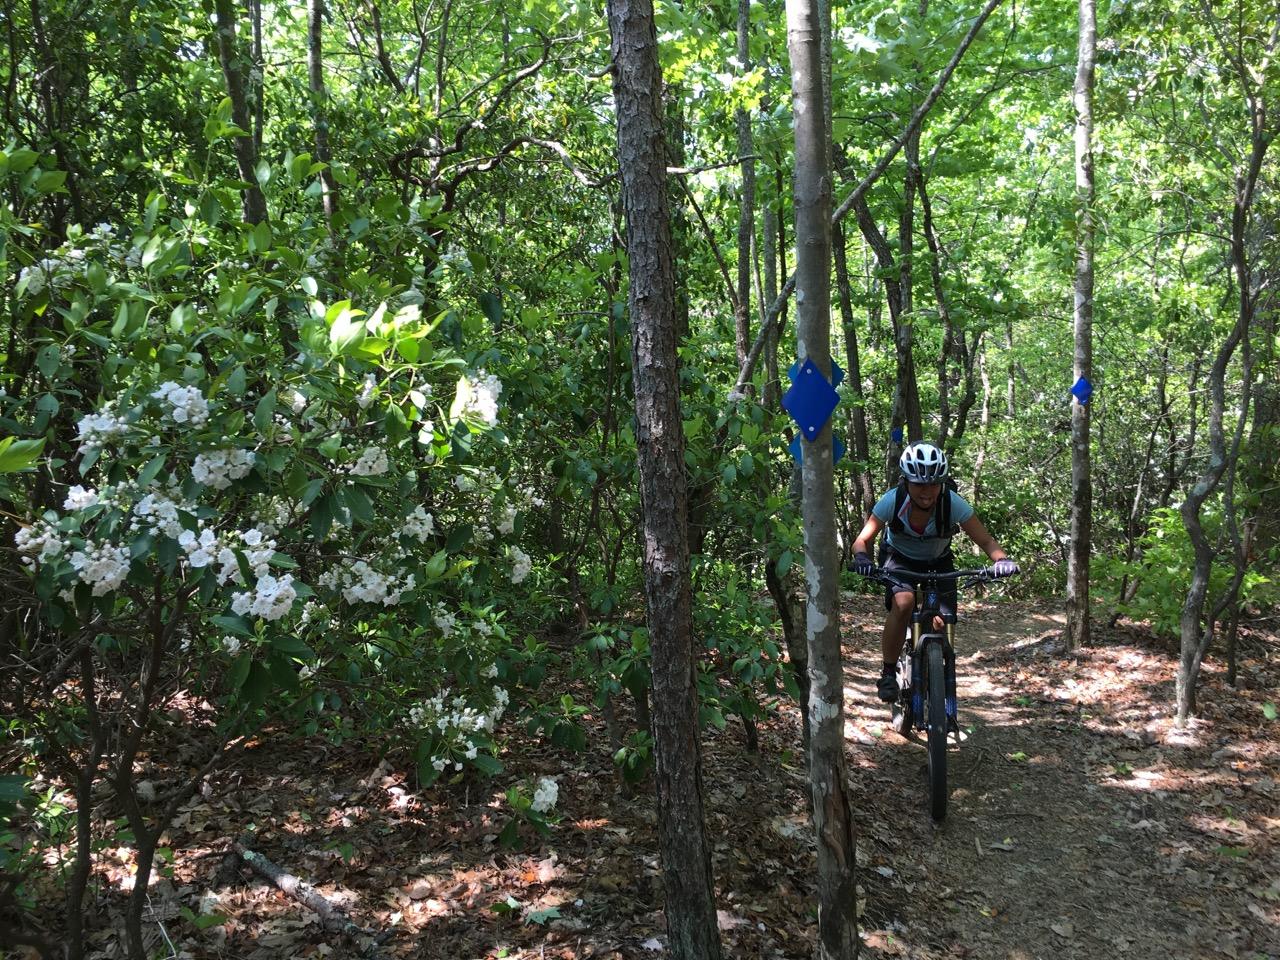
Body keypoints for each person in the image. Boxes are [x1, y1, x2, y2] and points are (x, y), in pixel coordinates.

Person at [850, 442, 1018, 702]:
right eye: (918, 484)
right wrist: (862, 558)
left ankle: (936, 671)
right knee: (904, 603)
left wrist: (1002, 561)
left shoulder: (952, 503)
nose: (926, 491)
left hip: (938, 561)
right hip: (899, 558)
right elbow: (862, 540)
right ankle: (887, 672)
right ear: (906, 482)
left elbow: (986, 541)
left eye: (933, 484)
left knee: (944, 619)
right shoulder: (893, 500)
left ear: (942, 483)